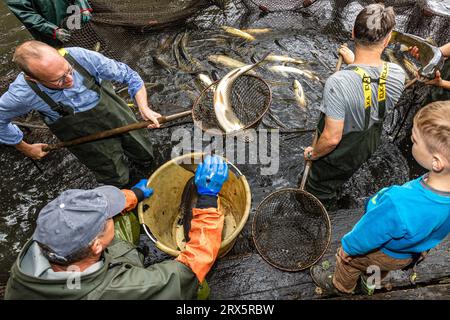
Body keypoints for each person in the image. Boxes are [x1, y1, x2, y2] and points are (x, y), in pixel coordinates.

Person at [5, 155, 229, 299]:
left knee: (124, 217)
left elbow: (87, 211)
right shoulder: (119, 292)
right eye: (105, 218)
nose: (109, 215)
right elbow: (188, 269)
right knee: (195, 286)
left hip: (88, 272)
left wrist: (133, 196)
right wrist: (207, 202)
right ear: (95, 246)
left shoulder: (45, 244)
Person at [310, 101, 450, 296]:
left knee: (349, 264)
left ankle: (342, 286)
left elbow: (369, 233)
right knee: (378, 268)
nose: (411, 140)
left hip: (383, 250)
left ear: (436, 162)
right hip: (407, 254)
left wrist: (348, 249)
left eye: (415, 140)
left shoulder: (398, 203)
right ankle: (370, 285)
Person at [0, 40, 162, 188]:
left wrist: (144, 107)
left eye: (69, 71)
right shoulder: (22, 94)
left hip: (120, 118)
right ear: (34, 79)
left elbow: (129, 76)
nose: (70, 80)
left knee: (144, 153)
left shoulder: (80, 57)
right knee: (116, 178)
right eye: (59, 80)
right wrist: (25, 148)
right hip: (85, 140)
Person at [303, 4, 406, 204]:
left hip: (339, 152)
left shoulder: (338, 82)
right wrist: (354, 65)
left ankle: (314, 205)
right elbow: (370, 87)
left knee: (317, 190)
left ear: (353, 33)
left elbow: (332, 139)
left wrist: (312, 154)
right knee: (342, 177)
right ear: (387, 40)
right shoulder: (397, 73)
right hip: (367, 146)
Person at [6, 0, 92, 47]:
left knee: (86, 42)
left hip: (71, 17)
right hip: (49, 31)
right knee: (62, 54)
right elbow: (26, 14)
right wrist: (52, 30)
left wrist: (83, 7)